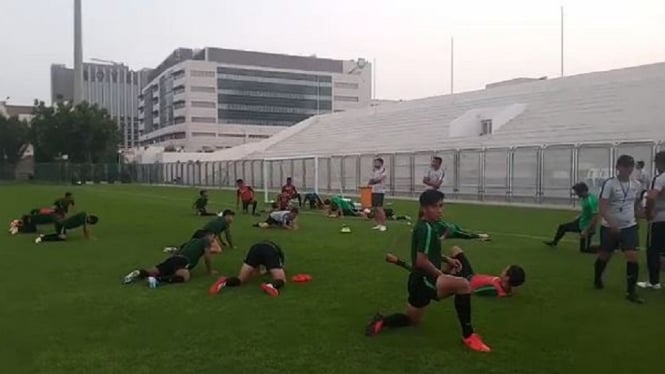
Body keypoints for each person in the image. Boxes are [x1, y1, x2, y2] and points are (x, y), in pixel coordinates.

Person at [364, 189, 491, 353]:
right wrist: (441, 275)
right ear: (425, 208)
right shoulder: (428, 229)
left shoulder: (424, 226)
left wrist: (447, 259)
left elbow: (428, 253)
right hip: (425, 280)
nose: (440, 210)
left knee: (412, 320)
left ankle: (382, 322)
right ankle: (469, 336)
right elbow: (421, 261)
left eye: (441, 206)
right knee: (463, 285)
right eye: (437, 206)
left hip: (416, 282)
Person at [594, 155, 644, 303]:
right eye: (624, 166)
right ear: (618, 167)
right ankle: (597, 278)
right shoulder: (610, 184)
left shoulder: (636, 184)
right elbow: (602, 206)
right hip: (610, 227)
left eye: (630, 166)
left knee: (632, 256)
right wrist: (612, 223)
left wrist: (638, 216)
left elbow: (636, 203)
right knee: (605, 255)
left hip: (629, 226)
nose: (628, 169)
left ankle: (631, 291)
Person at [385, 246, 525, 297]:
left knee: (426, 272)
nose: (502, 270)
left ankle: (397, 261)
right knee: (456, 250)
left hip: (464, 280)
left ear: (507, 278)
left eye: (505, 271)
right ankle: (444, 270)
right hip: (470, 274)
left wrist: (454, 282)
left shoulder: (495, 290)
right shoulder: (506, 287)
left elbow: (474, 292)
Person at [122, 231, 220, 287]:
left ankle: (138, 273)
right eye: (213, 238)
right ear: (209, 235)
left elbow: (178, 250)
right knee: (184, 276)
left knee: (155, 270)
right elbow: (207, 256)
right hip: (183, 261)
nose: (213, 240)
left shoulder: (193, 241)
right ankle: (157, 280)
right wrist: (209, 271)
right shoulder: (205, 241)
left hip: (173, 259)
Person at [208, 240, 287, 297]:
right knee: (282, 280)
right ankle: (271, 285)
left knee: (241, 279)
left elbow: (256, 274)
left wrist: (263, 271)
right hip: (269, 250)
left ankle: (224, 282)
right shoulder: (277, 253)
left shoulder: (260, 247)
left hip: (255, 249)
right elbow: (280, 267)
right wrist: (271, 271)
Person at [544, 182, 599, 253]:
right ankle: (554, 243)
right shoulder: (584, 198)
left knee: (584, 250)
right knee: (563, 227)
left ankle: (606, 249)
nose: (576, 193)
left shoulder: (591, 200)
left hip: (587, 226)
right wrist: (579, 216)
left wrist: (586, 230)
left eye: (577, 192)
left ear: (583, 191)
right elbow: (586, 211)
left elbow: (595, 217)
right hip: (581, 223)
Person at [638, 151, 665, 290]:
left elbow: (651, 197)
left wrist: (648, 213)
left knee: (653, 250)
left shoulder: (660, 178)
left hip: (660, 219)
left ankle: (654, 282)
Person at [34, 212, 99, 243]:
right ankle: (41, 239)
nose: (89, 223)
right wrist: (89, 237)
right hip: (62, 225)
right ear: (90, 219)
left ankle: (43, 236)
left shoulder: (83, 214)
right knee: (62, 238)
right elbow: (85, 230)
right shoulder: (84, 218)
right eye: (90, 222)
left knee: (60, 235)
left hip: (61, 223)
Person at [368, 157, 387, 232]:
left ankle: (383, 224)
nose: (375, 164)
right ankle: (378, 224)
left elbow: (378, 180)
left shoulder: (383, 170)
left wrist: (373, 181)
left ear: (381, 163)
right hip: (373, 191)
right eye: (375, 162)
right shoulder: (374, 170)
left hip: (380, 191)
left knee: (379, 208)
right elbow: (371, 180)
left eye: (377, 162)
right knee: (375, 208)